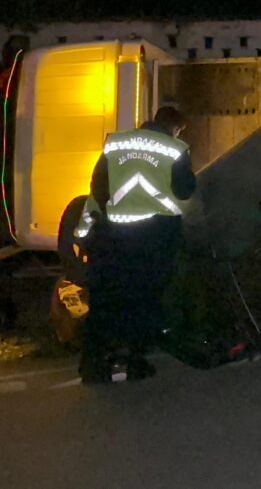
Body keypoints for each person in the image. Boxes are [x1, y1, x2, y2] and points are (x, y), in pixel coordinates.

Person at [77, 105, 196, 384]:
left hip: (116, 235)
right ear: (175, 128)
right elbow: (185, 190)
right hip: (155, 236)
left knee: (106, 298)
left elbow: (98, 185)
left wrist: (108, 218)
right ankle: (135, 362)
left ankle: (94, 365)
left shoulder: (116, 142)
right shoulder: (176, 149)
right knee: (144, 298)